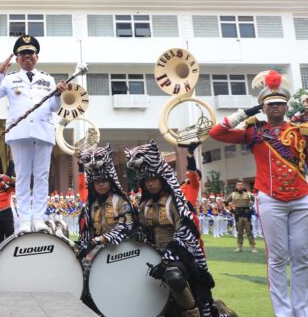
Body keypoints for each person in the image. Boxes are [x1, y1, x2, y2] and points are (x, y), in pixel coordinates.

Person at [209, 69, 308, 316]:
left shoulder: (299, 131)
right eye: (270, 104)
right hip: (270, 198)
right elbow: (216, 133)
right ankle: (283, 312)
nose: (275, 107)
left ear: (286, 107)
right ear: (263, 107)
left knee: (302, 256)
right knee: (276, 257)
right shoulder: (254, 132)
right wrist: (244, 114)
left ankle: (302, 310)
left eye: (280, 104)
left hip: (302, 197)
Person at [125, 140, 235, 317]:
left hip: (182, 255)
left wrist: (167, 260)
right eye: (146, 181)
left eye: (153, 179)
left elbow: (185, 233)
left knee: (173, 276)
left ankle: (195, 312)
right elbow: (142, 229)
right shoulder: (144, 204)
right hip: (153, 254)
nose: (150, 184)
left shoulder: (176, 201)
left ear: (162, 179)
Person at [0, 34, 65, 233]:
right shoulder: (10, 79)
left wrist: (58, 94)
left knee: (41, 176)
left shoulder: (47, 79)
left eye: (30, 53)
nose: (27, 57)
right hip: (20, 132)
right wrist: (0, 72)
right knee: (21, 177)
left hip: (43, 130)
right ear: (17, 58)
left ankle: (38, 218)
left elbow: (54, 107)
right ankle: (23, 220)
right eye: (23, 54)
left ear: (36, 56)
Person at [76, 144, 134, 260]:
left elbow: (126, 226)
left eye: (104, 181)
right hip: (97, 255)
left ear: (110, 182)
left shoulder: (121, 202)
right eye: (97, 182)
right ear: (93, 185)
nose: (101, 184)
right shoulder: (90, 206)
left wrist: (98, 240)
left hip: (119, 253)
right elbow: (88, 230)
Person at [224, 181, 257, 253]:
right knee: (239, 232)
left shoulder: (248, 194)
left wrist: (252, 209)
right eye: (238, 185)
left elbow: (256, 201)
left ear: (243, 186)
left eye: (241, 185)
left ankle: (253, 247)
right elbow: (226, 202)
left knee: (249, 231)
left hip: (246, 214)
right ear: (236, 186)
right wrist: (231, 210)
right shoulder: (233, 195)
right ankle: (239, 247)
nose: (240, 186)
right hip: (238, 214)